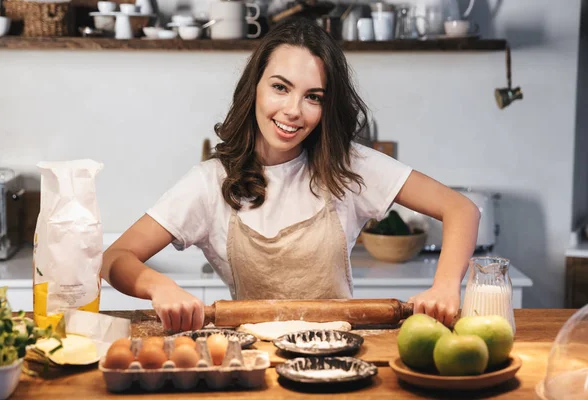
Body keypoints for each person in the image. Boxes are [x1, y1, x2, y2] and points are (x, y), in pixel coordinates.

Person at [101, 17, 480, 333]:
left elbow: (461, 209)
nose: (293, 110)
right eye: (280, 88)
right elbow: (115, 257)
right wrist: (159, 286)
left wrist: (446, 284)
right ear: (255, 89)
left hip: (341, 358)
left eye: (313, 96)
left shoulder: (348, 167)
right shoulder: (210, 183)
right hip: (253, 362)